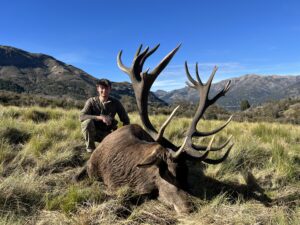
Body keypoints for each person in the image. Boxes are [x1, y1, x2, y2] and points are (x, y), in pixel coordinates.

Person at [80, 78, 130, 152]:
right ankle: (91, 149)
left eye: (107, 88)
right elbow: (82, 117)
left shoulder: (116, 103)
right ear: (97, 89)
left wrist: (121, 134)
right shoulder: (91, 101)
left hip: (109, 134)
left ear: (110, 89)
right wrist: (100, 117)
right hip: (93, 133)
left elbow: (126, 121)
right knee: (87, 123)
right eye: (102, 88)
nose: (104, 90)